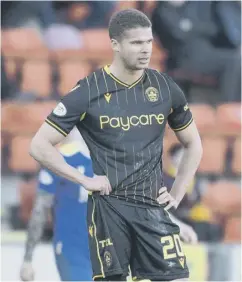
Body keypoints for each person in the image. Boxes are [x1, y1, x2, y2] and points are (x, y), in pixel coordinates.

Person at [29, 9, 203, 281]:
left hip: (152, 210)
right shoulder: (88, 91)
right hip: (110, 214)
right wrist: (83, 179)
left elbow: (193, 143)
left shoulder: (164, 87)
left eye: (148, 41)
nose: (146, 49)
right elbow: (39, 146)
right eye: (136, 43)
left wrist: (178, 194)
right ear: (115, 45)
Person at [20, 128, 93, 281]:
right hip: (99, 249)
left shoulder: (57, 161)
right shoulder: (111, 161)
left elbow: (39, 212)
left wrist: (27, 259)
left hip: (73, 248)